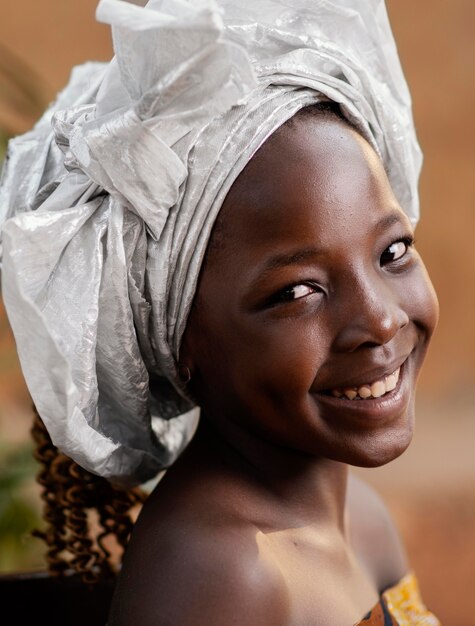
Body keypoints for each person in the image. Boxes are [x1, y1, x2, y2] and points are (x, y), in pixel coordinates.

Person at [0, 0, 441, 624]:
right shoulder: (216, 574)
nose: (381, 319)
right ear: (181, 339)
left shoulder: (356, 517)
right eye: (297, 292)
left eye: (391, 251)